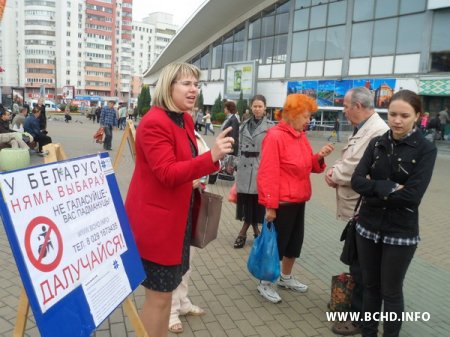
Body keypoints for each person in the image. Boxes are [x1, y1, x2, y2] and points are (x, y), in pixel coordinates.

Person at [124, 62, 234, 337]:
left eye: (196, 84)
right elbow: (166, 172)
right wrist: (210, 158)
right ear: (168, 86)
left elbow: (183, 163)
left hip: (177, 220)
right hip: (157, 226)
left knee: (167, 294)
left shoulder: (182, 118)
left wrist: (202, 167)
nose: (194, 89)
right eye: (186, 83)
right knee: (159, 298)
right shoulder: (154, 122)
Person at [351, 90, 437, 337]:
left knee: (390, 291)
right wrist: (385, 187)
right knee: (370, 286)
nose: (397, 120)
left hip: (400, 231)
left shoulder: (425, 149)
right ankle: (368, 333)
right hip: (367, 226)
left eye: (404, 115)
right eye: (392, 114)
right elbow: (357, 181)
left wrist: (373, 189)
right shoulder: (377, 141)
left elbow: (412, 196)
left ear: (417, 116)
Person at [256, 93, 334, 303]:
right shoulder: (274, 136)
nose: (309, 120)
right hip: (281, 202)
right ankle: (265, 283)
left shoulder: (300, 136)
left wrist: (319, 157)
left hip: (298, 199)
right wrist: (270, 206)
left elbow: (307, 165)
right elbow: (268, 172)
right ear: (292, 114)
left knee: (293, 244)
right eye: (306, 116)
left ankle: (285, 277)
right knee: (276, 245)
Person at [324, 87, 389, 335]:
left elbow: (354, 168)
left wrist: (333, 175)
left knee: (363, 266)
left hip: (366, 209)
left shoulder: (376, 131)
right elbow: (348, 158)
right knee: (356, 261)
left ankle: (361, 317)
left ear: (358, 107)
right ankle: (356, 307)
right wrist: (335, 172)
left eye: (346, 105)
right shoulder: (364, 128)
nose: (344, 110)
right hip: (358, 208)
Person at [168, 130, 209, 334]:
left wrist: (201, 180)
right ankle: (171, 311)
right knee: (177, 261)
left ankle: (182, 301)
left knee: (189, 260)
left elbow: (205, 164)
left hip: (194, 202)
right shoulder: (167, 130)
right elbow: (166, 170)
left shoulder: (194, 133)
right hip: (175, 207)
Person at [233, 94, 274, 248]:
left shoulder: (271, 127)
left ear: (265, 108)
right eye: (255, 106)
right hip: (244, 168)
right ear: (251, 107)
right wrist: (237, 161)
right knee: (247, 202)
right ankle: (257, 232)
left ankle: (243, 233)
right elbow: (239, 146)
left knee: (256, 202)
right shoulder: (243, 125)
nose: (257, 109)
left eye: (260, 106)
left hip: (260, 168)